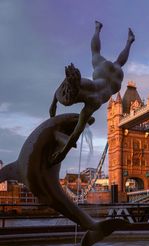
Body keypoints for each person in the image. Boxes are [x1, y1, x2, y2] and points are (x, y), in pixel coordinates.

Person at [49, 21, 134, 164]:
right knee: (97, 54)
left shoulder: (93, 103)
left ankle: (127, 40)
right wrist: (53, 103)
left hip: (115, 81)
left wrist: (62, 153)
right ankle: (101, 30)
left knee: (117, 62)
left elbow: (77, 132)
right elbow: (68, 83)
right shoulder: (83, 83)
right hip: (104, 72)